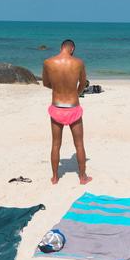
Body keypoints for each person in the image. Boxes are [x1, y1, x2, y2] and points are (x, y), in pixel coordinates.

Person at [42, 40, 91, 185]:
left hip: (57, 107)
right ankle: (82, 177)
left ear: (61, 47)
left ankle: (55, 177)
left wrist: (58, 88)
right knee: (79, 144)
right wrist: (76, 93)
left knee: (55, 144)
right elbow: (83, 83)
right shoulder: (79, 63)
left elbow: (45, 83)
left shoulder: (48, 62)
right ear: (72, 49)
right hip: (73, 107)